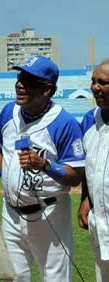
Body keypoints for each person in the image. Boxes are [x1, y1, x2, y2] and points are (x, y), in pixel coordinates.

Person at [0, 56, 85, 281]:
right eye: (19, 77)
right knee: (15, 277)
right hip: (12, 212)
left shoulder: (64, 123)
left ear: (47, 90)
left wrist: (44, 164)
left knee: (56, 278)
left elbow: (75, 176)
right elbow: (0, 152)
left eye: (28, 79)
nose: (19, 83)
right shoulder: (9, 112)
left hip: (49, 213)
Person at [78, 59, 109, 282]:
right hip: (100, 222)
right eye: (93, 81)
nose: (95, 87)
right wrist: (85, 197)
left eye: (103, 82)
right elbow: (90, 167)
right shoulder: (90, 120)